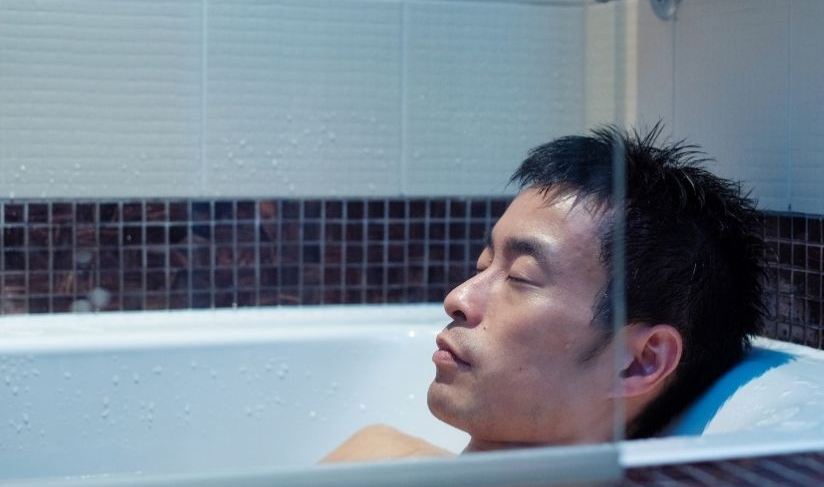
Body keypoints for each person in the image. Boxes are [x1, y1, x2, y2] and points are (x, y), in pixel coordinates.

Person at [321, 125, 766, 463]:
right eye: (482, 265)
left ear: (638, 361)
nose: (457, 298)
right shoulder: (373, 458)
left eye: (520, 277)